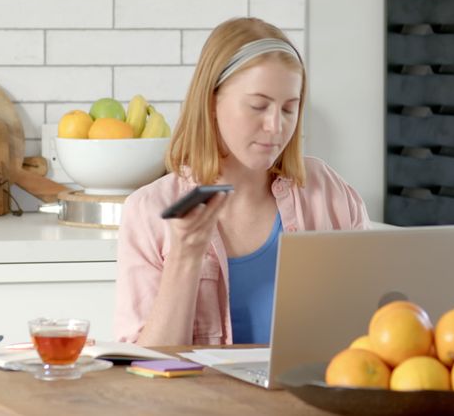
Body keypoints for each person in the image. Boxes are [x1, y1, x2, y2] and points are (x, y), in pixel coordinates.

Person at [115, 17, 370, 346]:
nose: (275, 126)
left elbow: (374, 330)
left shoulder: (328, 192)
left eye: (289, 109)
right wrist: (184, 258)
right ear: (211, 103)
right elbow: (145, 371)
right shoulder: (150, 211)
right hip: (200, 400)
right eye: (258, 106)